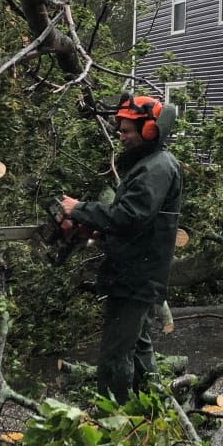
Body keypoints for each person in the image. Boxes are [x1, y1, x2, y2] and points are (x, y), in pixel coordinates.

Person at [60, 93, 183, 403]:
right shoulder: (148, 164)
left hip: (136, 276)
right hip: (134, 271)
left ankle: (114, 419)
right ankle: (155, 410)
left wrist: (80, 209)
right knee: (140, 349)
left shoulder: (156, 168)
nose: (121, 136)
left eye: (127, 130)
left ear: (149, 131)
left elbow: (129, 217)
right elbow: (134, 222)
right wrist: (96, 227)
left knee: (115, 356)